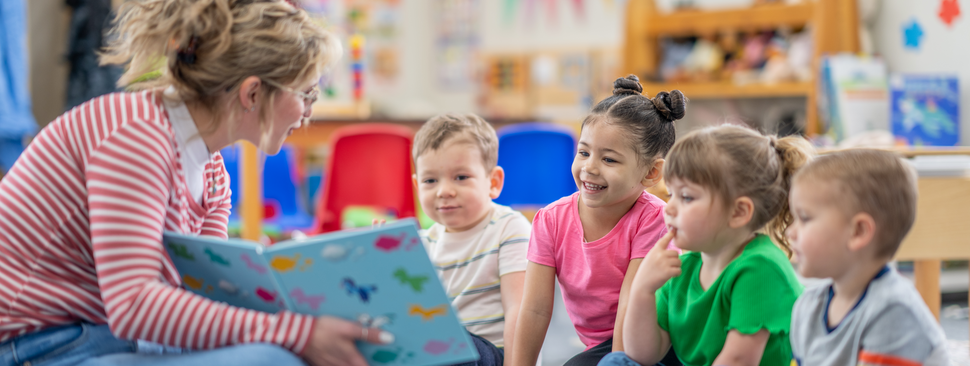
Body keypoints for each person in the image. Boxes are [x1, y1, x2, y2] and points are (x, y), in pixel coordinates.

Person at [0, 1, 391, 365]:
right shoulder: (136, 137)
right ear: (253, 92)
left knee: (284, 348)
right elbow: (134, 305)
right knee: (276, 356)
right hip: (41, 344)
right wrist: (294, 331)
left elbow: (206, 289)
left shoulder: (212, 168)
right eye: (307, 94)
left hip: (99, 333)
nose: (308, 113)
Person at [601, 125, 811, 366]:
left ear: (739, 212)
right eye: (671, 195)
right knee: (617, 361)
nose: (668, 208)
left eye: (687, 197)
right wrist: (642, 290)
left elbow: (738, 360)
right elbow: (643, 354)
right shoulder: (682, 268)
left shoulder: (762, 267)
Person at [511, 75, 683, 366]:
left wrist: (616, 364)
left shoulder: (654, 219)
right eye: (584, 152)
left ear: (651, 173)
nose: (589, 168)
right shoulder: (551, 220)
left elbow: (631, 305)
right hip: (603, 346)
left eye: (609, 160)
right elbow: (535, 310)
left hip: (658, 338)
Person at [788, 149, 949, 365]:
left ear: (858, 232)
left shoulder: (893, 310)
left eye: (804, 218)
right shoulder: (808, 306)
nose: (791, 232)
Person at [412, 113, 531, 366]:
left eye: (461, 177)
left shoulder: (509, 228)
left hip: (494, 354)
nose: (444, 191)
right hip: (440, 352)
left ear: (493, 182)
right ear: (416, 186)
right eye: (430, 180)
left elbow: (519, 312)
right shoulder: (421, 243)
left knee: (451, 343)